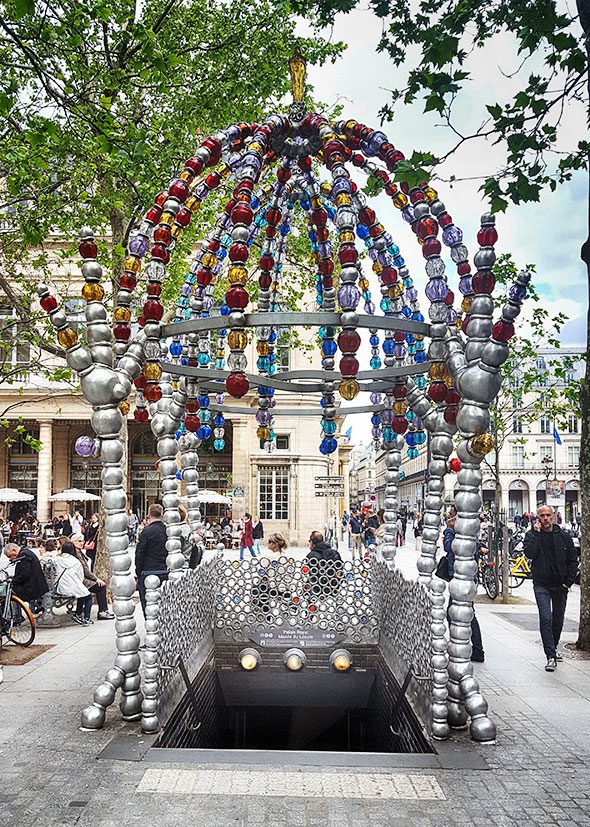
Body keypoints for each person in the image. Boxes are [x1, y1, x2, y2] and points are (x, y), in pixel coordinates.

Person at [523, 505, 578, 672]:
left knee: (558, 620)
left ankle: (552, 647)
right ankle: (550, 656)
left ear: (553, 517)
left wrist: (568, 582)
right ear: (537, 518)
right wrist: (537, 535)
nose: (545, 518)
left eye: (548, 515)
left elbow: (572, 560)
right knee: (545, 618)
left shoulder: (564, 536)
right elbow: (530, 554)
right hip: (541, 584)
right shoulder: (532, 535)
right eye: (542, 516)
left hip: (560, 585)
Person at [443, 515, 485, 663]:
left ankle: (468, 647)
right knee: (464, 613)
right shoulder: (468, 535)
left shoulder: (462, 536)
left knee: (462, 614)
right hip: (463, 579)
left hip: (463, 580)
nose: (451, 521)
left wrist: (448, 530)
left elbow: (448, 547)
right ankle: (471, 647)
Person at [70, 534, 114, 621]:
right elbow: (85, 570)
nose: (82, 543)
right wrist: (96, 579)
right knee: (100, 586)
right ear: (73, 542)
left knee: (100, 585)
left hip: (79, 579)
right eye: (79, 541)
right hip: (80, 580)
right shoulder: (76, 553)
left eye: (82, 541)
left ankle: (102, 611)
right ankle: (102, 611)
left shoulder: (78, 551)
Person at [135, 503, 168, 614]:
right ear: (162, 515)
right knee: (164, 603)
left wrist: (138, 571)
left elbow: (140, 553)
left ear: (149, 515)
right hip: (164, 570)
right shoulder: (167, 531)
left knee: (148, 604)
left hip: (148, 570)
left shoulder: (146, 531)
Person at [54, 541, 93, 625]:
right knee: (88, 596)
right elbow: (80, 576)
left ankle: (78, 614)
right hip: (73, 585)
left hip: (60, 587)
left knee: (82, 593)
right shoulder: (76, 561)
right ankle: (86, 618)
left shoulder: (57, 559)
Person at [3, 542, 49, 611]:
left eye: (10, 556)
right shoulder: (25, 552)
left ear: (14, 550)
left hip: (32, 587)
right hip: (33, 584)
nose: (11, 559)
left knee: (11, 592)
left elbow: (25, 574)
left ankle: (16, 615)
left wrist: (14, 581)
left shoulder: (24, 555)